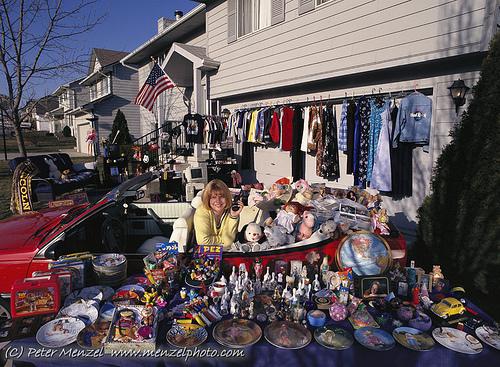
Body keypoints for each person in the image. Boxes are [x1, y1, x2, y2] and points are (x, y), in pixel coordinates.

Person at [194, 179, 243, 250]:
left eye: (221, 196)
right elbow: (203, 242)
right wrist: (223, 240)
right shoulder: (201, 212)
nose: (218, 201)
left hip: (226, 251)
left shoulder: (232, 211)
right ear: (208, 199)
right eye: (213, 197)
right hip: (206, 253)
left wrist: (233, 216)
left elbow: (229, 241)